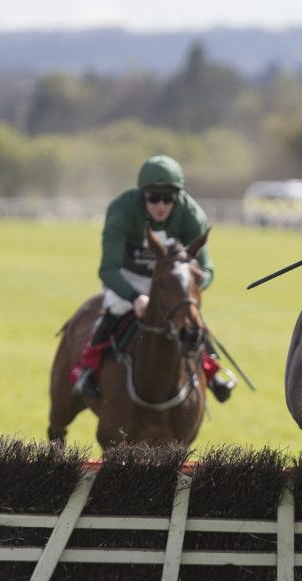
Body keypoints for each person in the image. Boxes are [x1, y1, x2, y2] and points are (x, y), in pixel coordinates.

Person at [71, 154, 236, 401]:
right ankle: (88, 370)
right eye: (154, 198)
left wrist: (191, 291)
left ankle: (212, 374)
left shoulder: (192, 215)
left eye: (168, 198)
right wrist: (135, 297)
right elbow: (108, 269)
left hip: (172, 281)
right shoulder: (122, 211)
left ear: (177, 197)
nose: (161, 205)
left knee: (190, 318)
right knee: (114, 307)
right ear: (142, 195)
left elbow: (207, 269)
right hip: (128, 277)